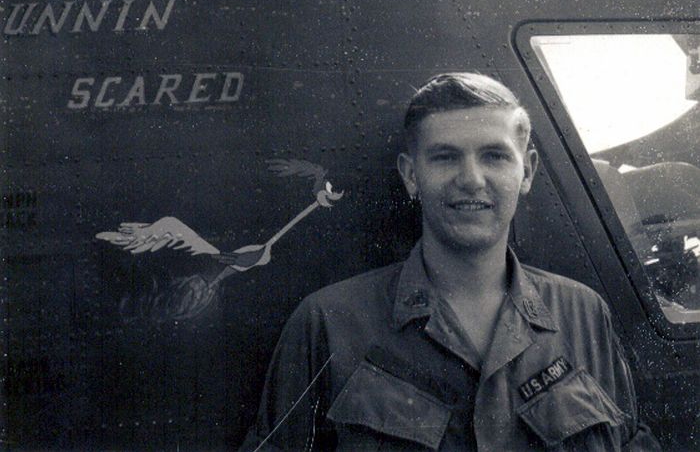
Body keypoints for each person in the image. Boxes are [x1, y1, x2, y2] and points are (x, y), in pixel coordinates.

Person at [241, 73, 660, 450]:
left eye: (495, 156)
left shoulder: (583, 312)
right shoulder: (328, 323)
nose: (472, 179)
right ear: (410, 175)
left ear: (527, 172)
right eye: (445, 157)